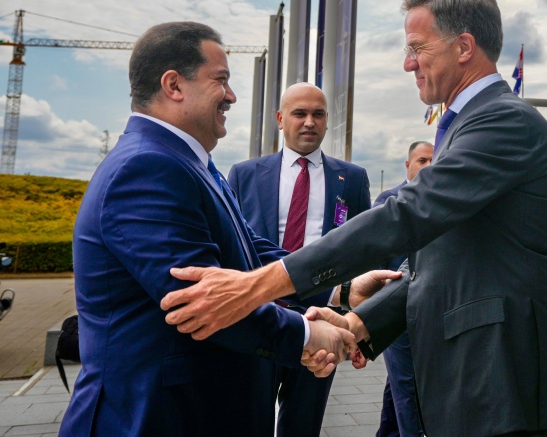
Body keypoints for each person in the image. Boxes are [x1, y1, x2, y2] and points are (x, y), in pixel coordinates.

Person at [161, 0, 547, 437]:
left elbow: (405, 215)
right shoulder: (472, 124)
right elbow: (441, 262)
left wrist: (256, 285)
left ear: (463, 47)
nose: (408, 63)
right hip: (480, 377)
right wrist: (359, 322)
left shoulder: (503, 120)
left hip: (501, 375)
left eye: (417, 48)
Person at [59, 22, 356, 437]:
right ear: (174, 85)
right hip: (155, 418)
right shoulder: (145, 167)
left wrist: (339, 291)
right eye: (221, 80)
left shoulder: (187, 161)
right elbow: (205, 302)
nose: (231, 96)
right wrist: (307, 334)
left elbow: (250, 250)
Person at [227, 82, 372, 437]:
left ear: (327, 121)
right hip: (261, 317)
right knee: (248, 420)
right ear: (280, 119)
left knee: (303, 424)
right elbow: (234, 246)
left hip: (322, 321)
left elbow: (364, 251)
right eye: (299, 113)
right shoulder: (244, 175)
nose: (309, 122)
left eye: (318, 114)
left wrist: (359, 324)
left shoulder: (352, 179)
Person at [373, 141, 433, 437]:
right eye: (422, 160)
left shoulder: (440, 202)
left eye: (434, 160)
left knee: (400, 382)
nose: (429, 166)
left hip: (431, 308)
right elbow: (374, 250)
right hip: (398, 309)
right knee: (407, 386)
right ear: (408, 165)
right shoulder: (389, 200)